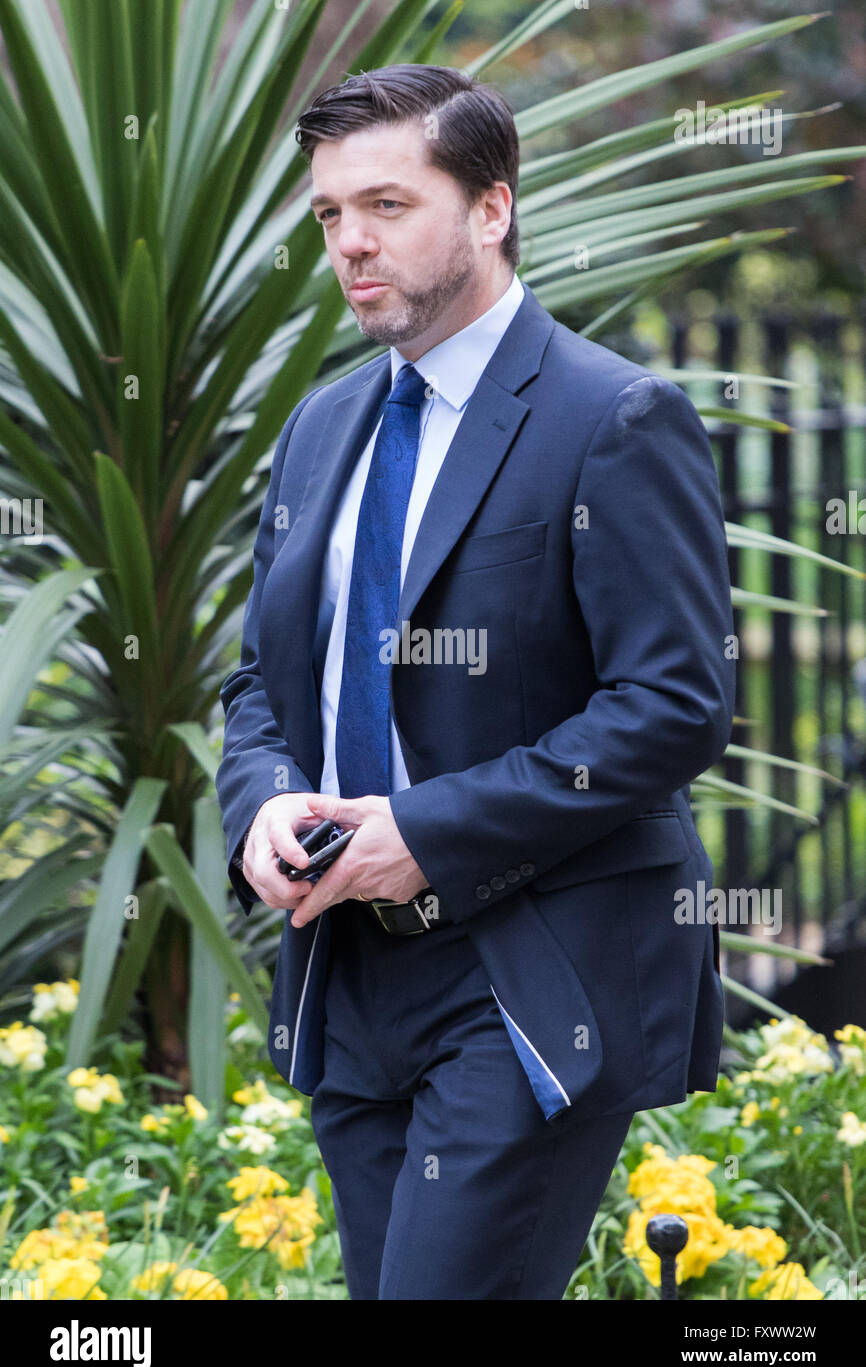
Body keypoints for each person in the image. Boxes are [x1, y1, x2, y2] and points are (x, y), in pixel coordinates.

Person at [215, 63, 736, 1300]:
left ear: (490, 208)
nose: (350, 243)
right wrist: (263, 803)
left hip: (525, 968)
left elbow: (672, 704)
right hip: (345, 968)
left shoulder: (612, 417)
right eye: (330, 214)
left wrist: (426, 831)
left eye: (387, 205)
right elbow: (259, 681)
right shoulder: (321, 426)